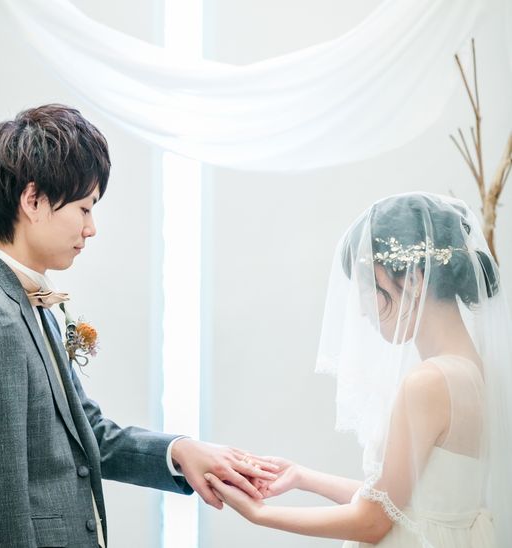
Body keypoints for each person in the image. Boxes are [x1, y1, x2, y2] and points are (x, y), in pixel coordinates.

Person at [0, 104, 278, 547]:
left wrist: (179, 451)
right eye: (84, 208)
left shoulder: (25, 302)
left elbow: (87, 434)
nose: (91, 228)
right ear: (33, 201)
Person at [205, 192, 512, 547]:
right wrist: (302, 476)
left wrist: (260, 514)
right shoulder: (479, 371)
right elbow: (407, 503)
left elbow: (373, 521)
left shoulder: (428, 382)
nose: (364, 310)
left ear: (414, 280)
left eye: (368, 286)